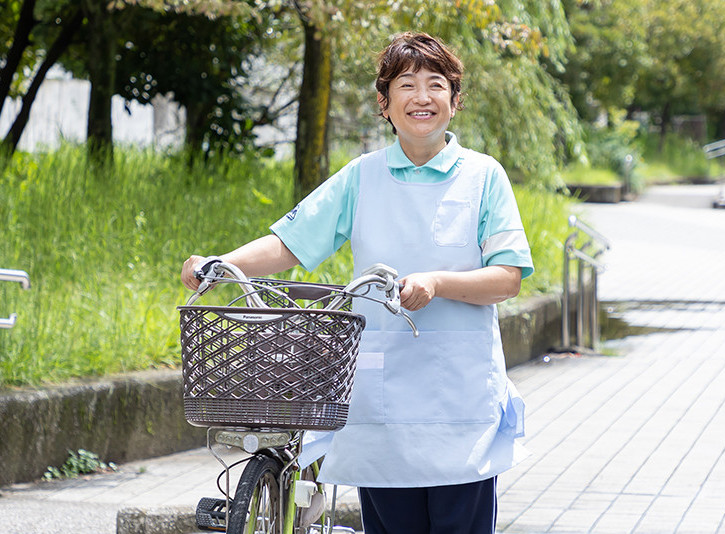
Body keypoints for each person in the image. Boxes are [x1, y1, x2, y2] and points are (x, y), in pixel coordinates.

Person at [181, 31, 533, 534]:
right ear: (384, 102)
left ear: (455, 102)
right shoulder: (362, 176)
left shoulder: (483, 176)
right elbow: (292, 242)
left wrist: (436, 282)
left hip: (459, 398)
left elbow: (507, 277)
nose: (421, 97)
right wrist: (219, 262)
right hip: (381, 393)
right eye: (406, 84)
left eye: (436, 85)